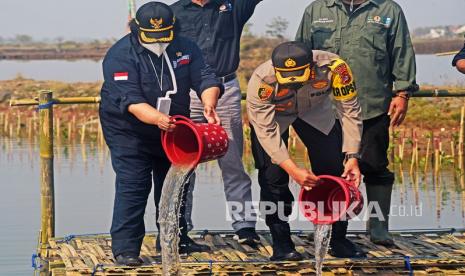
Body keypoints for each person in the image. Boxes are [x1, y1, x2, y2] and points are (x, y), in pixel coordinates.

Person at [99, 2, 223, 266]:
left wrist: (209, 101)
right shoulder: (119, 55)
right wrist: (157, 119)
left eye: (164, 36)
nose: (158, 42)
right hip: (129, 130)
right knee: (134, 183)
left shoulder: (185, 46)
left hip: (174, 127)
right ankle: (126, 248)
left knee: (176, 182)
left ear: (173, 29)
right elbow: (131, 101)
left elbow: (206, 76)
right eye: (151, 37)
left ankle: (175, 238)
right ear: (137, 30)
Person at [296, 0, 418, 249]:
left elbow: (402, 52)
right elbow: (299, 53)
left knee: (374, 164)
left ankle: (378, 228)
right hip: (324, 107)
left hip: (370, 103)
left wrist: (402, 93)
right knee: (326, 169)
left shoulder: (388, 10)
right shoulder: (316, 10)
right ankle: (326, 225)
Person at [247, 41, 364, 261]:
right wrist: (292, 169)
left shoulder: (336, 69)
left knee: (333, 170)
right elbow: (265, 131)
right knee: (272, 177)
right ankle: (281, 242)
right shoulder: (261, 80)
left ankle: (337, 239)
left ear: (311, 67)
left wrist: (352, 156)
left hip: (316, 112)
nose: (293, 85)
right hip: (275, 117)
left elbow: (349, 111)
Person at [170, 0, 262, 245]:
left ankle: (244, 226)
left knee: (233, 163)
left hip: (226, 89)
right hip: (186, 92)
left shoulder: (234, 6)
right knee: (184, 165)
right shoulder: (173, 12)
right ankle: (179, 229)